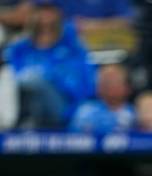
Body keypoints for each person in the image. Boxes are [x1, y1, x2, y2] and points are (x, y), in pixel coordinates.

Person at [5, 0, 94, 128]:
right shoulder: (20, 48)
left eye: (49, 10)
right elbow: (10, 79)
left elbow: (84, 85)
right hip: (25, 106)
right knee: (16, 81)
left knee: (31, 79)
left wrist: (49, 77)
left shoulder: (72, 47)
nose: (45, 15)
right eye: (40, 9)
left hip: (63, 106)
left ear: (59, 13)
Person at [70, 64, 135, 133]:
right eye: (104, 81)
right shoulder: (85, 111)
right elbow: (73, 138)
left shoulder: (135, 113)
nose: (107, 86)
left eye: (112, 81)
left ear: (127, 87)